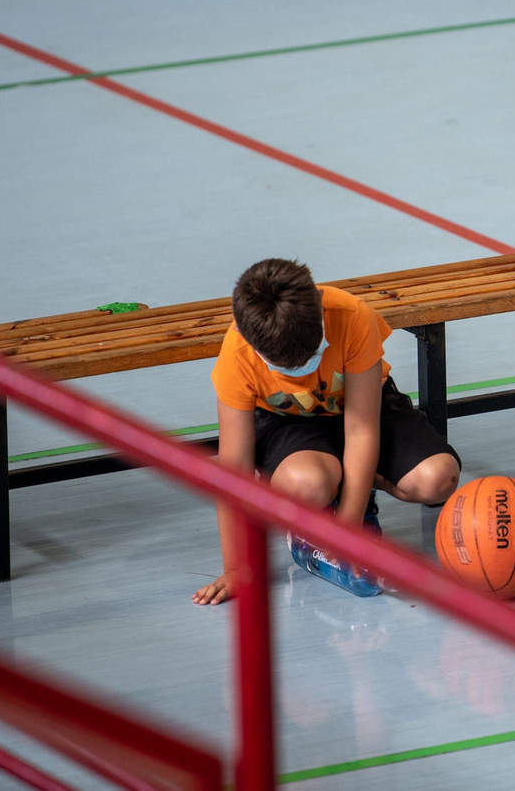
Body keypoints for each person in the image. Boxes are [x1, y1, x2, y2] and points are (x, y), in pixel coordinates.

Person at [191, 258, 460, 604]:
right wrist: (236, 568)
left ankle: (349, 486)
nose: (306, 368)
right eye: (287, 368)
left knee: (439, 479)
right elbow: (234, 470)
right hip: (287, 424)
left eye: (316, 353)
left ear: (320, 305)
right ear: (249, 340)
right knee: (309, 485)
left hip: (359, 410)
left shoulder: (352, 315)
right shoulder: (237, 354)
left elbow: (362, 429)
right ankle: (313, 501)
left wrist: (346, 529)